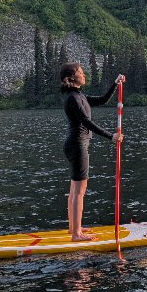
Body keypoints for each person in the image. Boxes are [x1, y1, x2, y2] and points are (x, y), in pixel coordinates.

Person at [60, 62, 124, 241]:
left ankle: (74, 228)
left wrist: (116, 83)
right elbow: (85, 122)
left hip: (76, 145)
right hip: (77, 145)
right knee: (79, 190)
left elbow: (103, 100)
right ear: (71, 78)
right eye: (80, 72)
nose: (84, 74)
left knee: (74, 189)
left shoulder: (79, 96)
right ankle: (76, 234)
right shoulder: (72, 98)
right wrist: (110, 136)